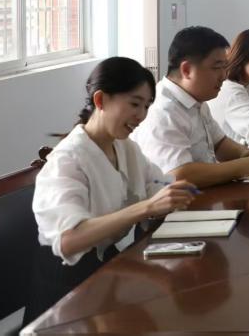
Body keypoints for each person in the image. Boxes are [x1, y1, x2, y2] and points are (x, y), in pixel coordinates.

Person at [25, 57, 197, 324]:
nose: (141, 116)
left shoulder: (125, 147)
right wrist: (146, 208)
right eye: (135, 104)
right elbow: (69, 239)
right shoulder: (67, 160)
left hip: (109, 271)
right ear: (101, 100)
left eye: (147, 106)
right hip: (67, 294)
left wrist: (174, 194)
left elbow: (158, 185)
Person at [131, 26, 249, 188]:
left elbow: (220, 144)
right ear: (187, 70)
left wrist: (248, 154)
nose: (224, 75)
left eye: (225, 67)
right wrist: (248, 165)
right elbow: (178, 175)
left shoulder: (197, 100)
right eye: (217, 67)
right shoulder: (163, 110)